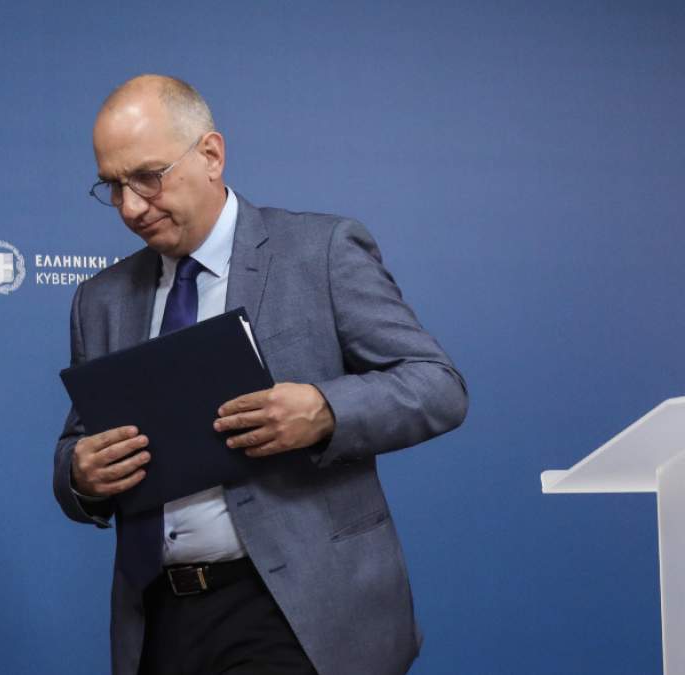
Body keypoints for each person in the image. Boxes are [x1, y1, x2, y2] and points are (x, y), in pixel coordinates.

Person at [52, 74, 468, 675]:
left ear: (211, 154)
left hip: (299, 613)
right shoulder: (100, 300)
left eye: (147, 177)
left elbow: (437, 384)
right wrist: (81, 474)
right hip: (160, 621)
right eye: (112, 186)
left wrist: (324, 411)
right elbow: (76, 445)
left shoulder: (320, 250)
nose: (131, 207)